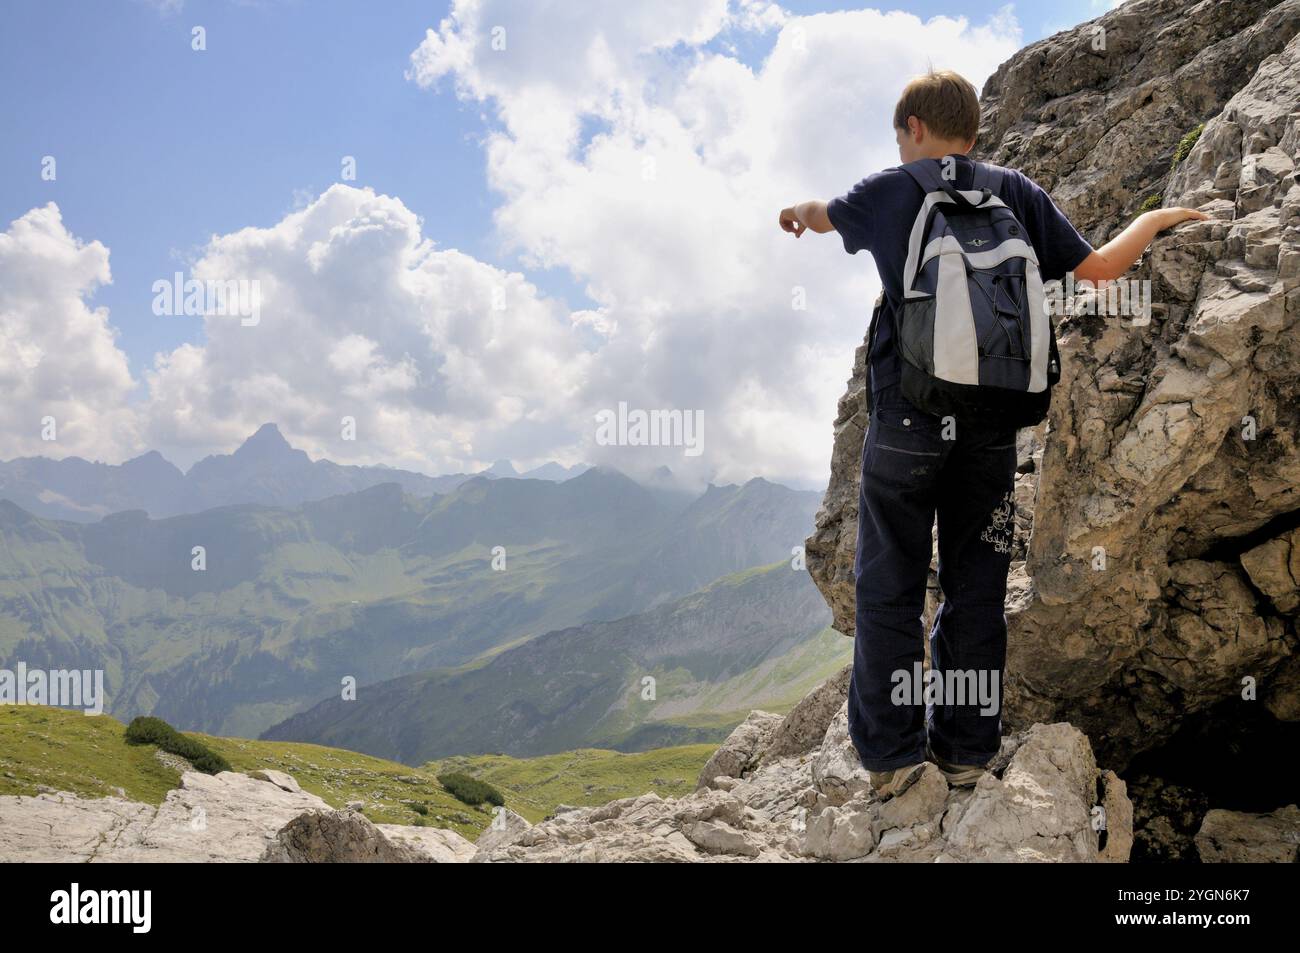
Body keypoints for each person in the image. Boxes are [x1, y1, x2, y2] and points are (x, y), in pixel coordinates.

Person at [778, 69, 1205, 799]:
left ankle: (891, 763)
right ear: (974, 132)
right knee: (975, 590)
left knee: (890, 588)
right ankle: (968, 754)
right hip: (992, 429)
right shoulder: (1017, 192)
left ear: (912, 126)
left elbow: (822, 215)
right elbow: (1100, 271)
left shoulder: (887, 191)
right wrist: (1158, 219)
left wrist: (798, 211)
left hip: (908, 422)